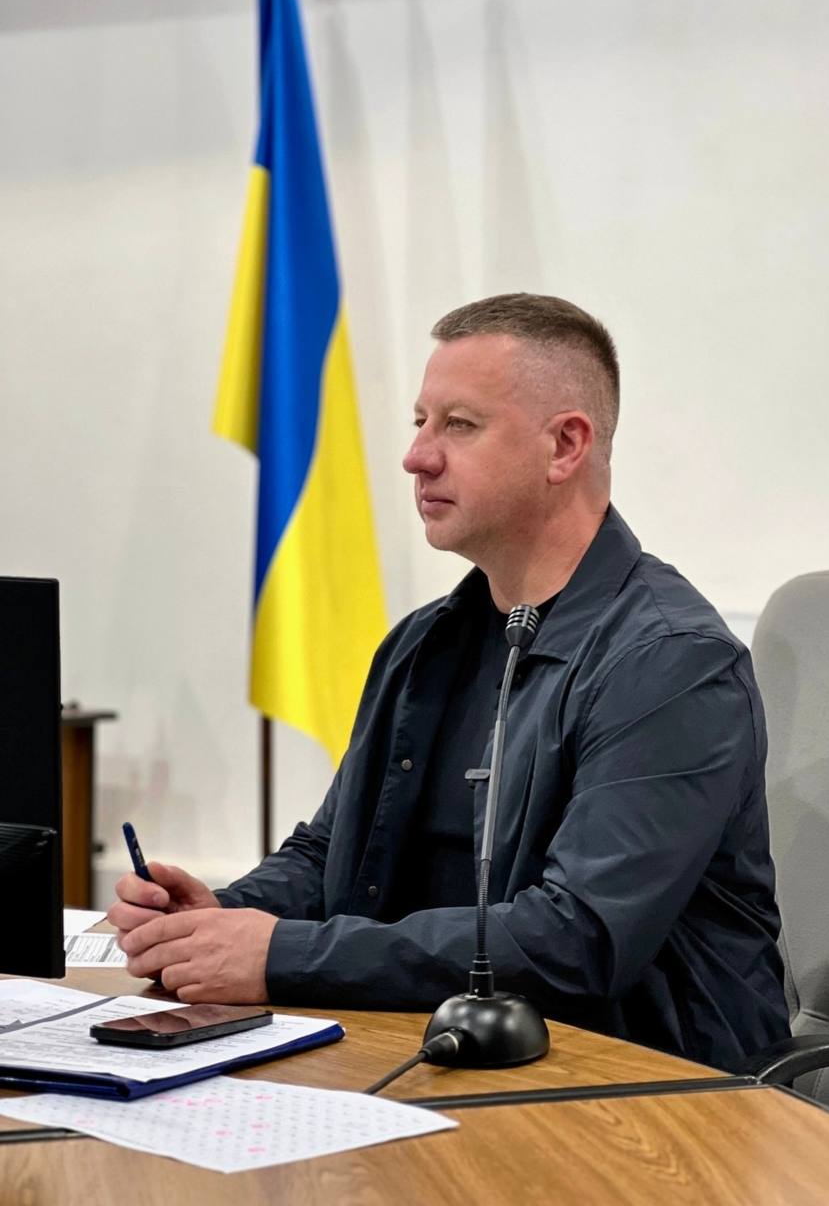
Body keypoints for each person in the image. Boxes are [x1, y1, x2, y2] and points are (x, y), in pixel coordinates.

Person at [110, 293, 789, 1069]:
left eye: (459, 425)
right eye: (420, 422)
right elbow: (334, 851)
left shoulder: (671, 662)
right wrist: (221, 917)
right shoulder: (425, 642)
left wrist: (280, 954)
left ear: (565, 446)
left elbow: (577, 940)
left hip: (645, 1084)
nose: (417, 457)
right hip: (433, 1048)